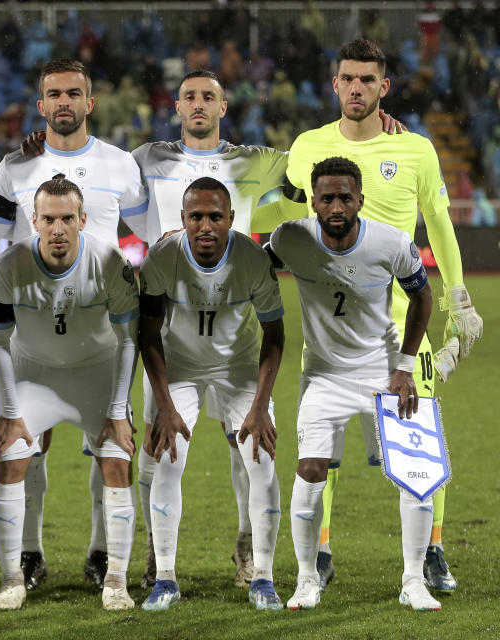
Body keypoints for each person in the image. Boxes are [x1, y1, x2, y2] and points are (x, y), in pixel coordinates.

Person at [131, 67, 404, 588]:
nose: (197, 105)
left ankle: (247, 550)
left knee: (246, 448)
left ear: (224, 106)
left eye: (208, 97)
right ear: (176, 105)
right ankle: (153, 554)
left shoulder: (255, 160)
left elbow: (323, 165)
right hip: (174, 324)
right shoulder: (147, 158)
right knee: (158, 446)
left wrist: (368, 126)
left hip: (233, 320)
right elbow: (86, 172)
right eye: (188, 96)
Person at [285, 39, 483, 592]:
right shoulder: (306, 148)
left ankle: (433, 549)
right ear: (334, 84)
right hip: (328, 331)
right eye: (347, 78)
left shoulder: (416, 149)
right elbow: (281, 201)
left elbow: (439, 224)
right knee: (322, 449)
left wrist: (457, 297)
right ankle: (319, 554)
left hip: (403, 334)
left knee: (417, 445)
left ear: (383, 88)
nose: (356, 88)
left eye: (367, 80)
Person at [0, 58, 150, 592]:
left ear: (90, 102)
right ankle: (28, 554)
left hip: (100, 327)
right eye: (53, 94)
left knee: (109, 450)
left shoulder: (120, 165)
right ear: (40, 105)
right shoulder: (13, 169)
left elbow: (149, 228)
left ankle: (99, 554)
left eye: (74, 93)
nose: (63, 102)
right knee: (27, 447)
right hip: (35, 337)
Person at [268, 156, 440, 611]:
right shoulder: (290, 238)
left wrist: (404, 366)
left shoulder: (391, 242)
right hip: (323, 376)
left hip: (384, 372)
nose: (337, 205)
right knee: (310, 472)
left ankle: (413, 580)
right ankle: (306, 580)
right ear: (313, 201)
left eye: (346, 196)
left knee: (414, 474)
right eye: (327, 197)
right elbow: (251, 265)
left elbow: (422, 298)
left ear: (361, 198)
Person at [0, 175, 139, 611]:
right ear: (33, 220)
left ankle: (115, 581)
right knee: (11, 458)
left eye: (66, 218)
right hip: (33, 374)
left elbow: (130, 339)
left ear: (83, 220)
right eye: (48, 219)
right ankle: (13, 577)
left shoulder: (110, 262)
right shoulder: (10, 265)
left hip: (97, 371)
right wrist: (12, 411)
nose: (57, 229)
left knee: (117, 462)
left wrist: (117, 410)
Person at [138, 177, 285, 611]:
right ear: (182, 219)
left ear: (231, 220)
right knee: (168, 458)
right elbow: (147, 335)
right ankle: (164, 577)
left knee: (260, 459)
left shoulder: (252, 260)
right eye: (196, 216)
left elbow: (275, 335)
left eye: (215, 217)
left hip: (237, 369)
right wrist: (163, 405)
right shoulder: (163, 257)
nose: (205, 226)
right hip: (178, 366)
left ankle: (264, 577)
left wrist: (260, 407)